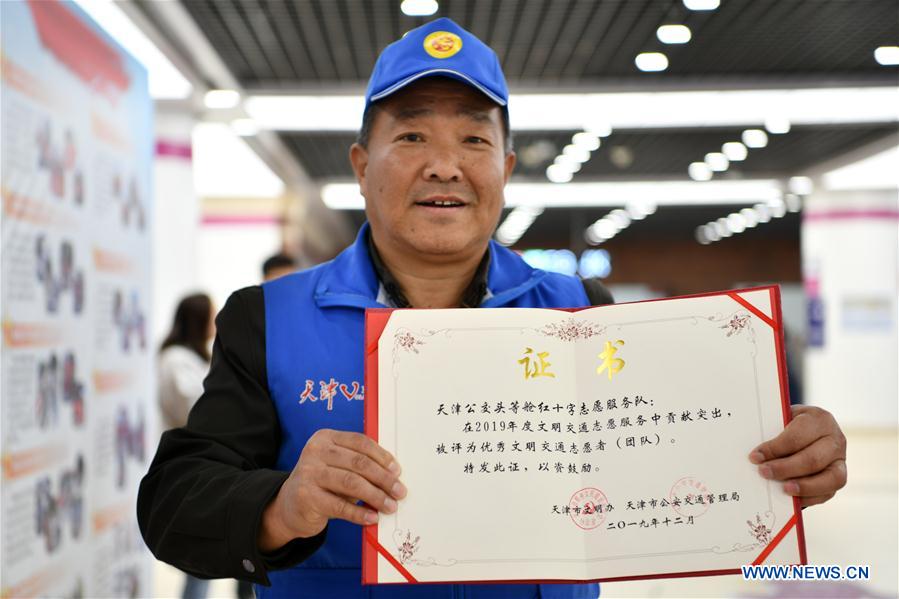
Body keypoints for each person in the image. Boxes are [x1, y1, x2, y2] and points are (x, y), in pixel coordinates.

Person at [138, 18, 847, 599]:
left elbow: (665, 449)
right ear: (360, 165)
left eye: (474, 139)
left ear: (504, 170)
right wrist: (281, 505)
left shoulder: (581, 310)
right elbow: (174, 502)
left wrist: (778, 451)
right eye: (411, 135)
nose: (444, 164)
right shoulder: (268, 318)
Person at [156, 293, 216, 599]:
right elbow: (196, 411)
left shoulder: (194, 358)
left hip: (202, 466)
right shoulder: (176, 360)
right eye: (211, 315)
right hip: (189, 469)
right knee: (199, 560)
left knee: (204, 559)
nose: (216, 321)